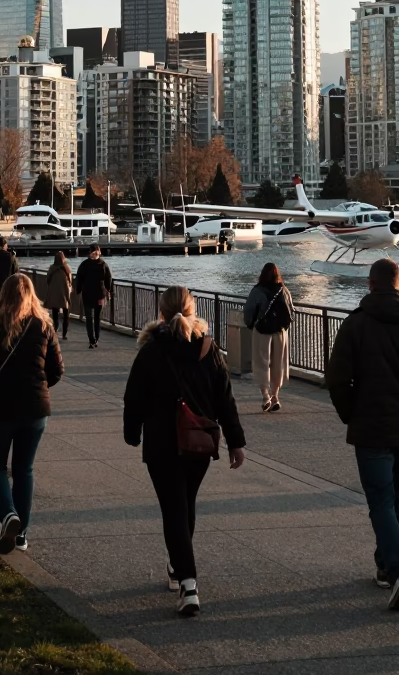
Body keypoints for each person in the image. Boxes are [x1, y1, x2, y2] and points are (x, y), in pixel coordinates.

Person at [325, 258, 399, 612]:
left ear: (370, 284)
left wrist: (351, 414)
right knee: (396, 498)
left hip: (371, 427)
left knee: (380, 501)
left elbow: (336, 380)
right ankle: (384, 565)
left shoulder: (356, 325)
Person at [123, 286, 246, 617]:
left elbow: (133, 396)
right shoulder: (209, 349)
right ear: (193, 310)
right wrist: (235, 441)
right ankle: (179, 569)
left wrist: (131, 432)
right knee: (185, 504)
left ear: (161, 313)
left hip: (162, 442)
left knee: (173, 509)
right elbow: (225, 399)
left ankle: (187, 582)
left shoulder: (151, 350)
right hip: (199, 443)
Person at [0, 273, 63, 553]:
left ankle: (9, 515)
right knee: (24, 469)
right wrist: (39, 385)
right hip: (35, 410)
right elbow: (57, 370)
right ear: (31, 296)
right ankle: (21, 536)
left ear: (4, 296)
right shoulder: (44, 327)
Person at [244, 262, 295, 412]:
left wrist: (251, 325)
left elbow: (249, 312)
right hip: (280, 333)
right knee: (278, 364)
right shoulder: (284, 290)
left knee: (261, 363)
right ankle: (276, 397)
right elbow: (291, 311)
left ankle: (266, 396)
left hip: (262, 332)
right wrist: (284, 328)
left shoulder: (257, 291)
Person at [74, 244, 113, 349]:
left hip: (87, 293)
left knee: (89, 318)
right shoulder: (103, 264)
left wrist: (78, 289)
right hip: (100, 294)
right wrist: (108, 289)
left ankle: (92, 340)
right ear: (98, 252)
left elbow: (78, 278)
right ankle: (96, 338)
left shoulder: (84, 264)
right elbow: (109, 278)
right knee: (97, 317)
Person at [43, 250, 73, 339]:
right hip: (65, 295)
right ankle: (64, 334)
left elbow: (47, 280)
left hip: (54, 294)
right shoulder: (67, 268)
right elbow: (70, 282)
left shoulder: (52, 268)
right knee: (66, 314)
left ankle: (55, 330)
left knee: (55, 314)